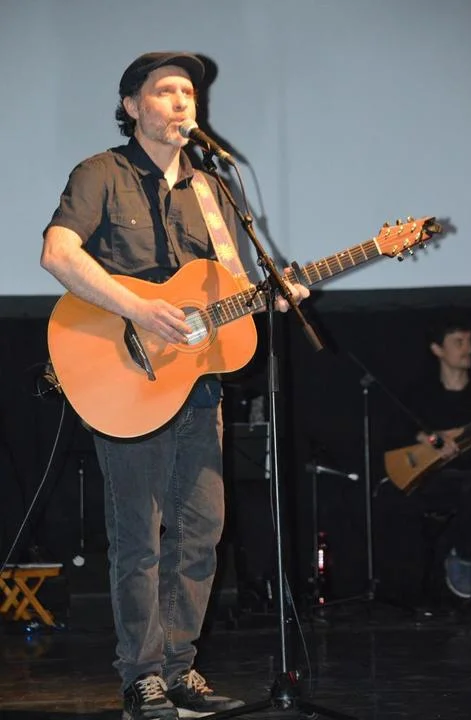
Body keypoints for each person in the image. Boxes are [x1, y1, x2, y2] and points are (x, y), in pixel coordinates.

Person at [40, 51, 309, 720]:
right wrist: (138, 307)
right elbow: (58, 253)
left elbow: (228, 287)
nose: (182, 101)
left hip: (197, 384)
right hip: (125, 378)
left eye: (188, 91)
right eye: (165, 90)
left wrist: (272, 294)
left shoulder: (213, 191)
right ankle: (142, 677)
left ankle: (179, 670)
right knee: (139, 536)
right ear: (132, 105)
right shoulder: (101, 173)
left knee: (198, 532)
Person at [386, 314, 471, 603]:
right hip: (434, 479)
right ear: (437, 349)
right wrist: (435, 441)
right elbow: (398, 432)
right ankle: (464, 558)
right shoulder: (420, 395)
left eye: (470, 342)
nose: (468, 349)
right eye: (459, 342)